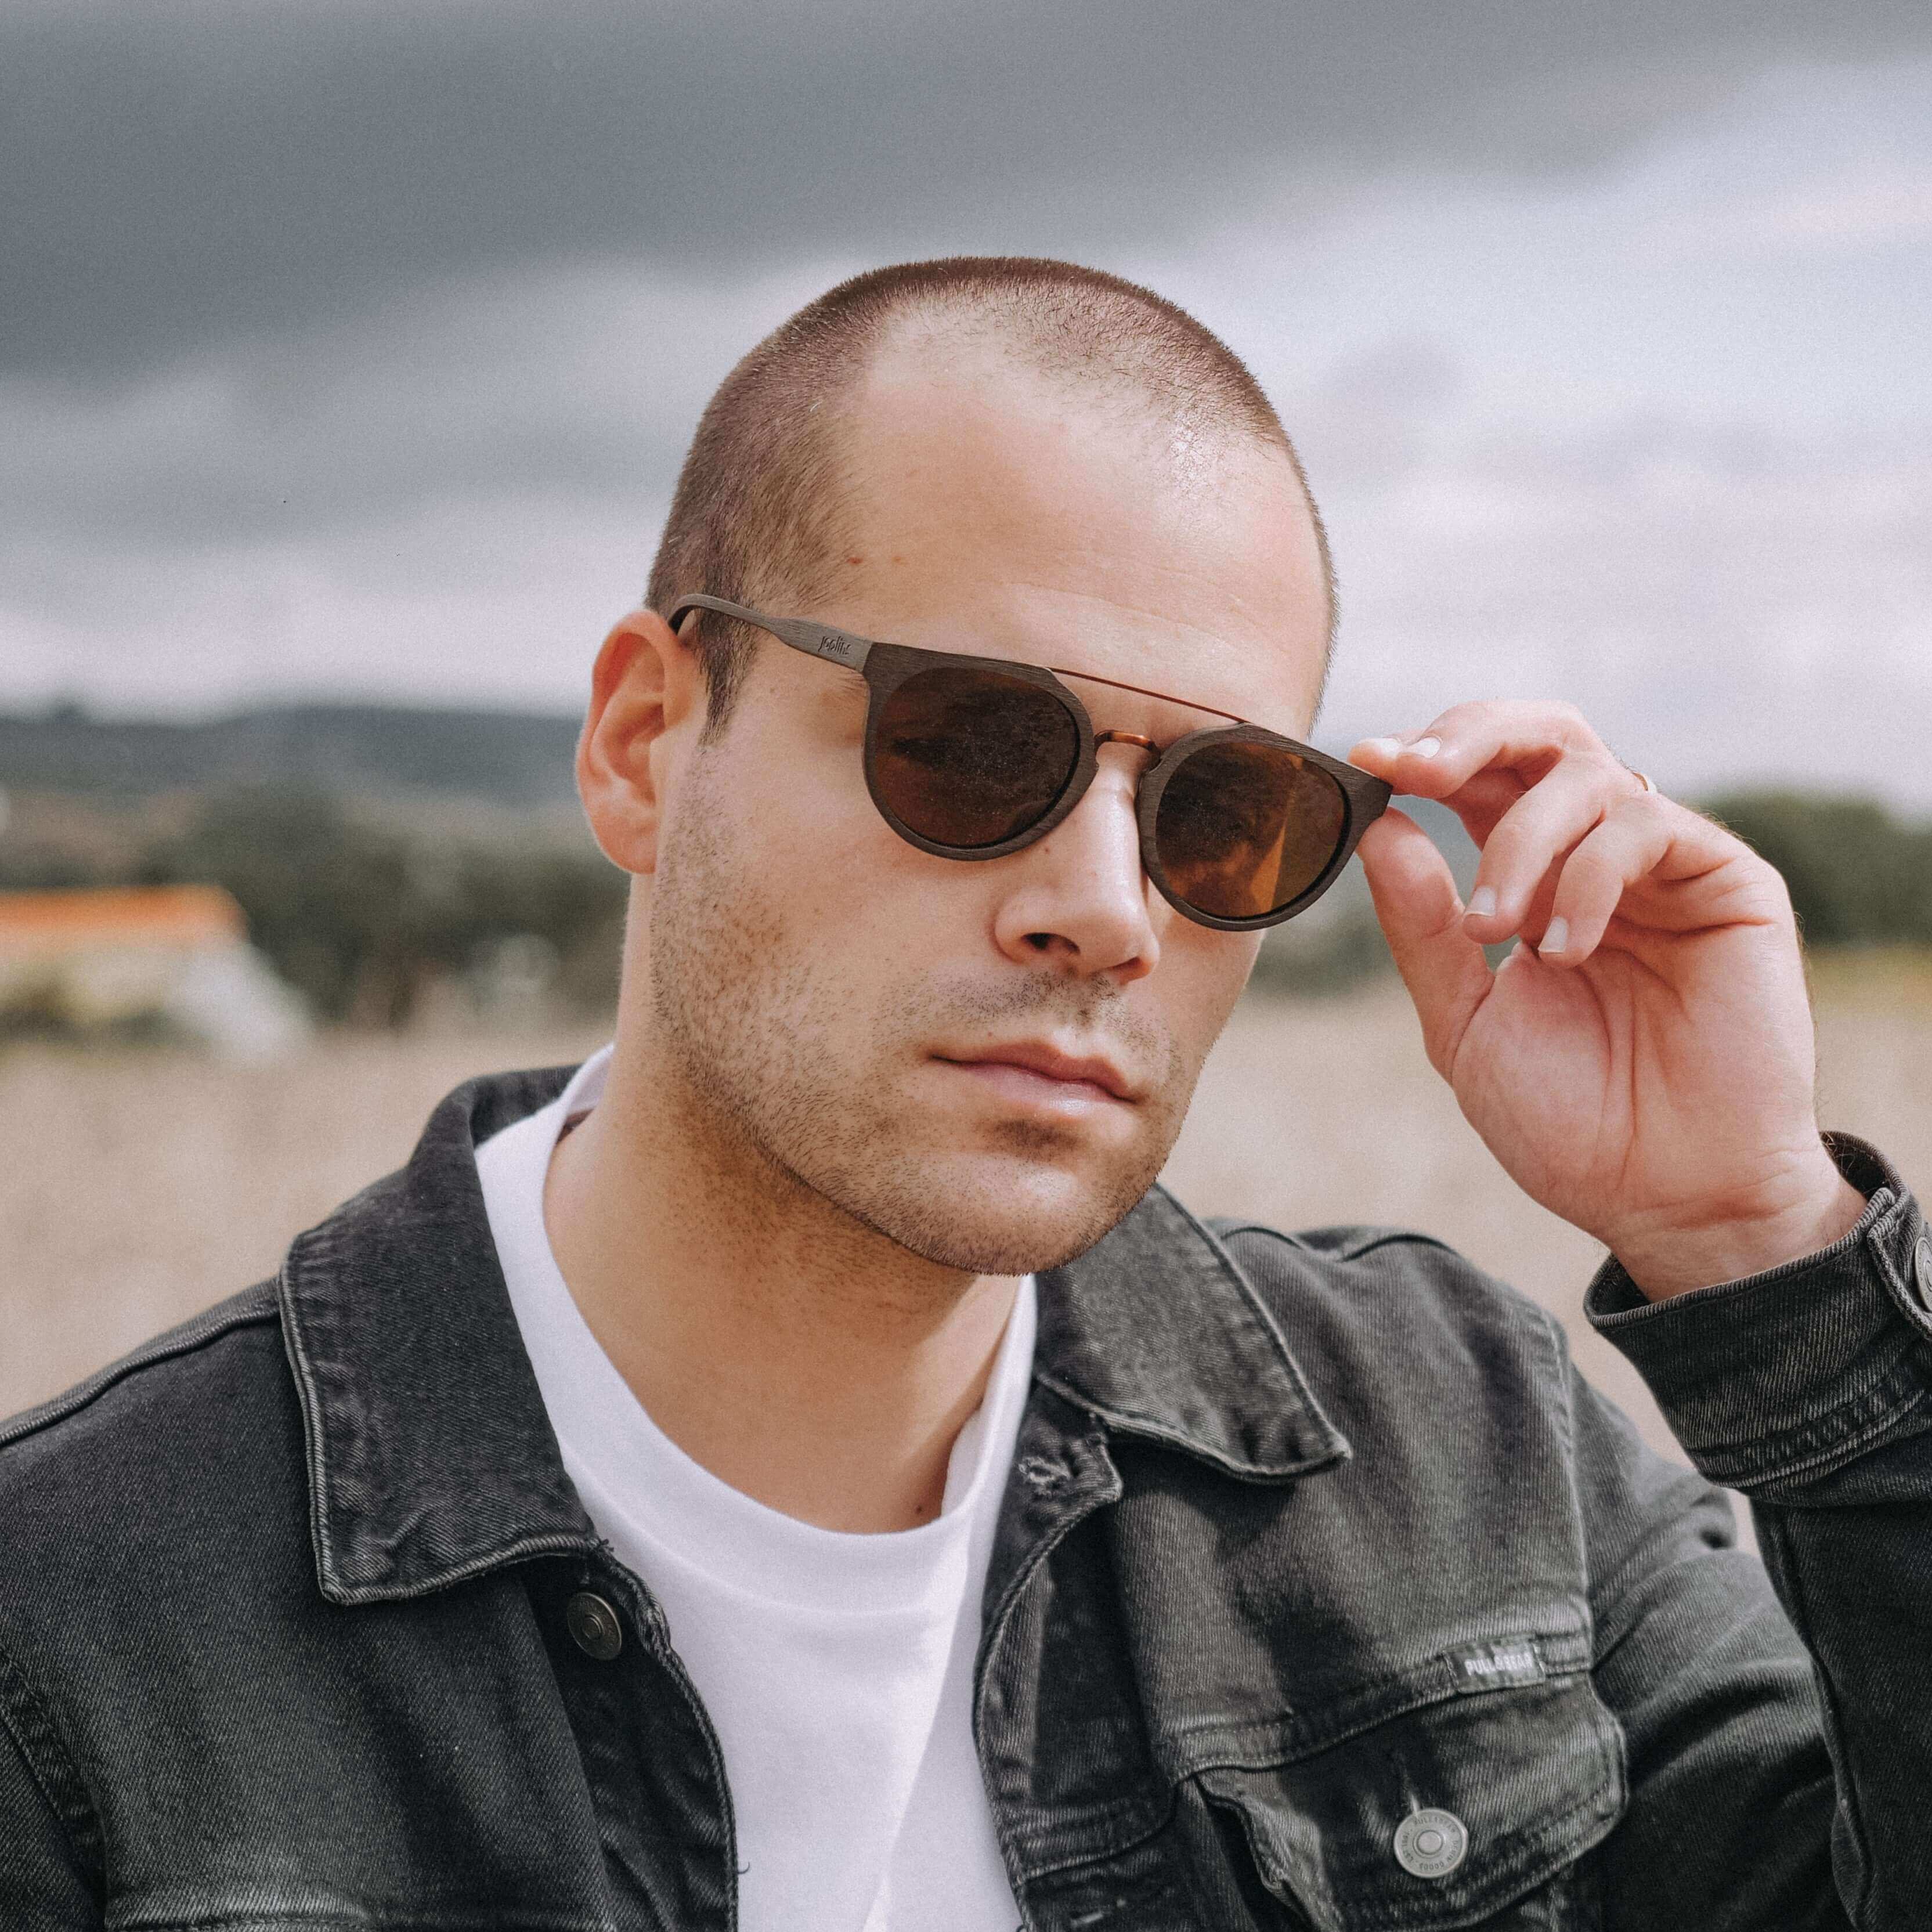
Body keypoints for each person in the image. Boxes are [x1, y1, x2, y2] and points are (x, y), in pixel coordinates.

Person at [1, 257, 1926, 1932]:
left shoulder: (1462, 1455)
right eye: (973, 744)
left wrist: (1759, 1234)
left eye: (1223, 809)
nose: (1105, 910)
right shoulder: (72, 1634)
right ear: (644, 744)